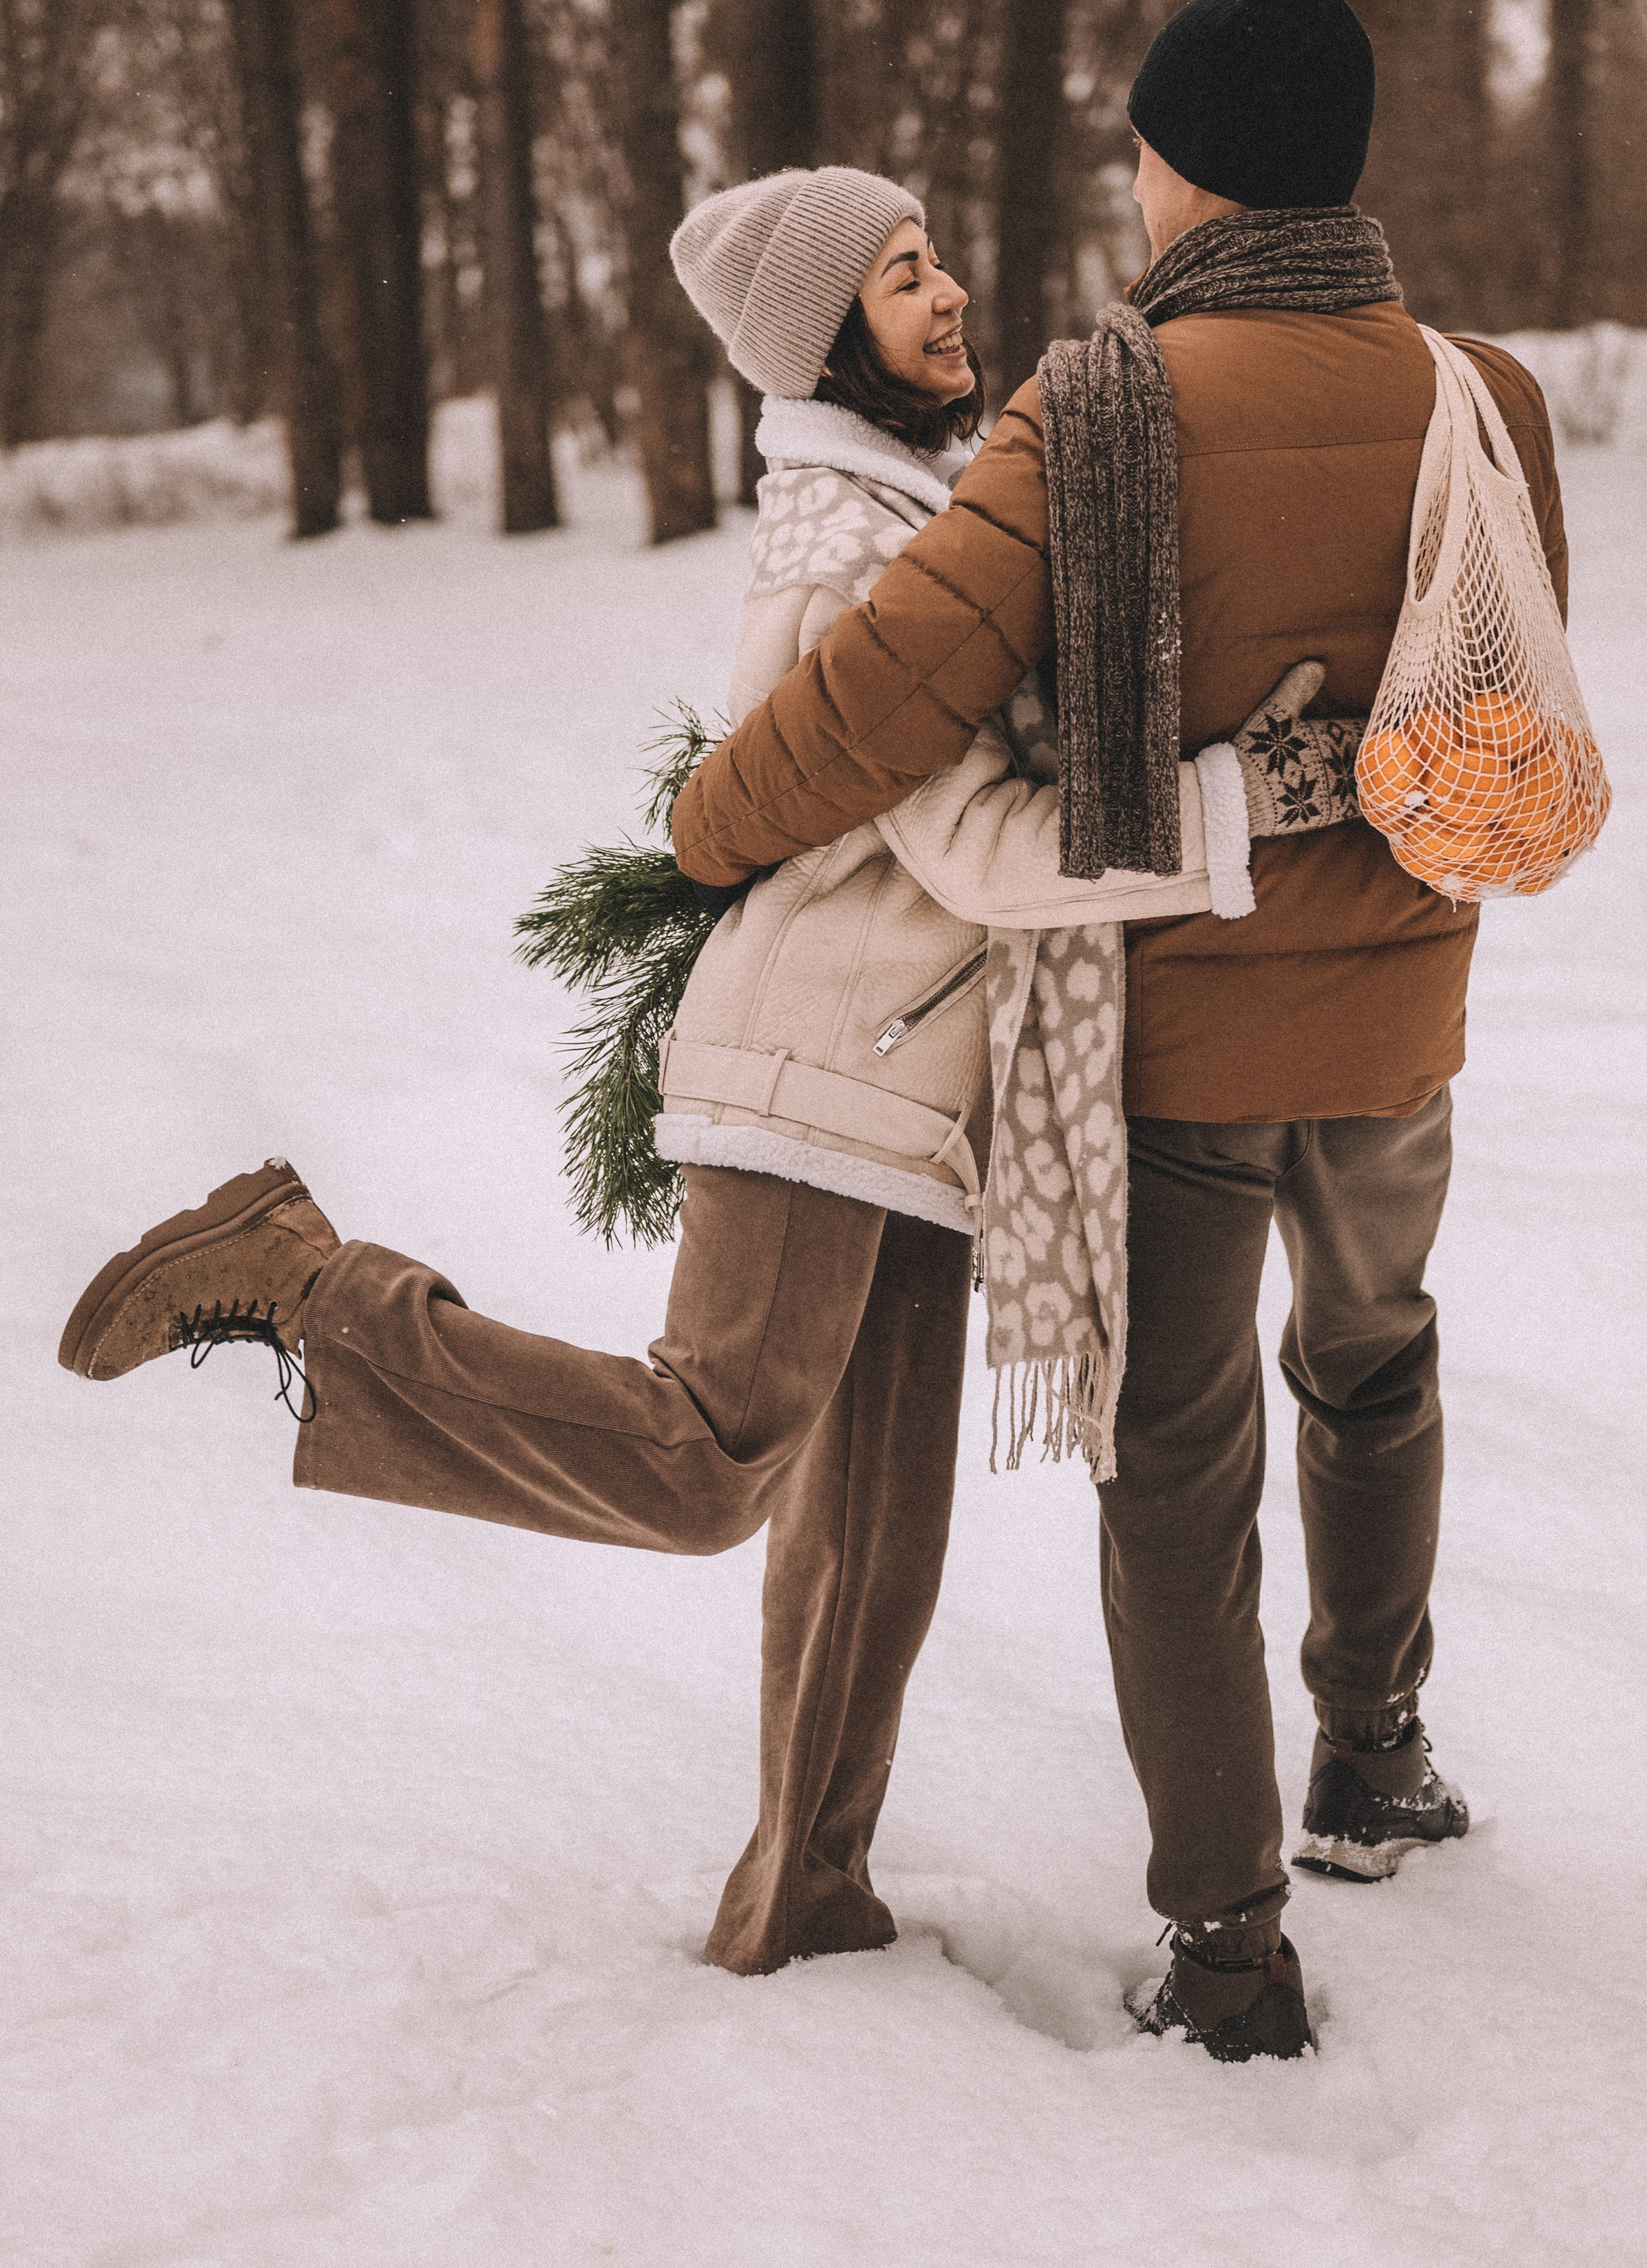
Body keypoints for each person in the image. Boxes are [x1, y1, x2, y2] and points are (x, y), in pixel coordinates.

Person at [57, 162, 1359, 1983]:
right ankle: (306, 1286)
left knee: (876, 1532)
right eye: (899, 277)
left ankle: (804, 1898)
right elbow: (979, 847)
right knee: (707, 1459)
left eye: (934, 259)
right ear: (828, 336)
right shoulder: (857, 558)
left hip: (917, 1090)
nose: (947, 295)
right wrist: (1239, 807)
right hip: (824, 1067)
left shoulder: (923, 508)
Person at [668, 0, 1570, 2061]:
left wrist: (707, 830)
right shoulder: (1488, 398)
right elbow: (1497, 700)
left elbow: (884, 693)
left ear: (1195, 168)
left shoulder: (1096, 413)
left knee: (1177, 1463)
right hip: (1401, 1007)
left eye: (1145, 151)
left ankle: (1231, 1940)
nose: (1134, 187)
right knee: (1378, 1360)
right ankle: (1376, 1749)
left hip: (1180, 1044)